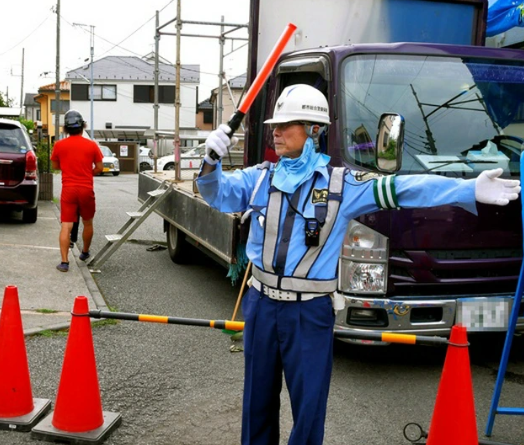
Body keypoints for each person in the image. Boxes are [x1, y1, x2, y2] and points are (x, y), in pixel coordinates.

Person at [196, 84, 521, 445]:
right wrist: (210, 162)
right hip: (260, 304)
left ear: (314, 131)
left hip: (309, 313)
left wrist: (465, 189)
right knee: (256, 402)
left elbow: (404, 188)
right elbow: (216, 193)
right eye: (276, 124)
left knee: (308, 409)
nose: (277, 131)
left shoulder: (343, 185)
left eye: (288, 124)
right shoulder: (260, 178)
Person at [50, 110, 103, 272]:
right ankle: (85, 253)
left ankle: (64, 262)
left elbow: (55, 166)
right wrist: (88, 173)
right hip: (86, 189)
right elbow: (100, 168)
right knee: (87, 222)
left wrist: (68, 168)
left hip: (68, 189)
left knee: (66, 226)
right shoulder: (92, 145)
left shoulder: (59, 145)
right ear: (83, 126)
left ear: (66, 128)